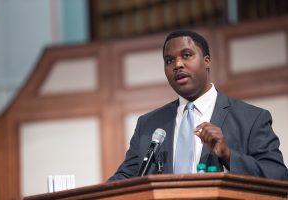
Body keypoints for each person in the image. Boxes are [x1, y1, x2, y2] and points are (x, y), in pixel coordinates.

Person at [109, 30, 288, 181]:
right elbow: (124, 179)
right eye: (169, 60)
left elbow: (278, 176)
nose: (177, 64)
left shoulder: (251, 118)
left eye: (186, 55)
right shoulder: (148, 125)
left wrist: (228, 155)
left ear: (207, 61)